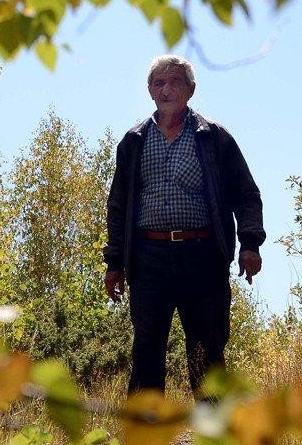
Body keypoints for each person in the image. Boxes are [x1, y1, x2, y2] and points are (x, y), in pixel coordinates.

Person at [104, 55, 264, 398]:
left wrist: (250, 244)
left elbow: (246, 194)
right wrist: (114, 263)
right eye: (159, 83)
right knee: (146, 351)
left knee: (206, 351)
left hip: (202, 256)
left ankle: (214, 444)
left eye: (175, 81)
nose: (167, 89)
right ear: (149, 91)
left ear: (191, 89)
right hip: (148, 259)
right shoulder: (133, 141)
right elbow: (118, 207)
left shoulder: (214, 138)